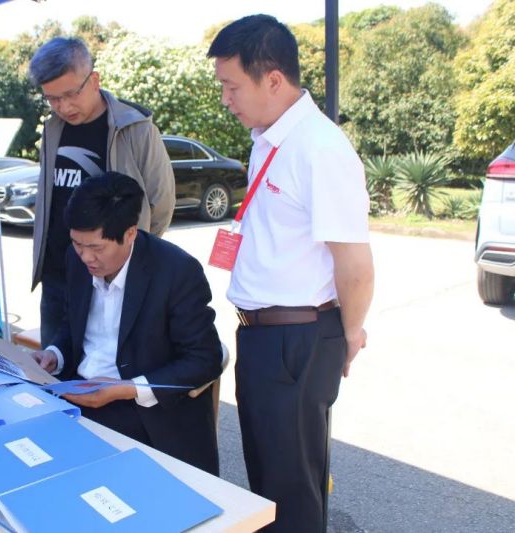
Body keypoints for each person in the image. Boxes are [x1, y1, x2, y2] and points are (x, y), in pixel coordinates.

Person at [207, 15, 375, 533]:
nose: (225, 99)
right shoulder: (269, 137)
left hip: (298, 338)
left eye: (232, 86)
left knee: (292, 490)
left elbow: (355, 262)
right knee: (268, 482)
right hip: (264, 336)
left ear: (273, 79)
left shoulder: (319, 147)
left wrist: (350, 333)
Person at [31, 172, 222, 475]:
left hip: (146, 412)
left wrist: (127, 388)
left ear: (130, 233)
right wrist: (55, 354)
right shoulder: (75, 259)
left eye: (97, 248)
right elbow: (73, 324)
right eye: (78, 244)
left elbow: (204, 359)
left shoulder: (176, 272)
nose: (86, 257)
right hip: (80, 394)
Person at [28, 37, 175, 347]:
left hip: (110, 282)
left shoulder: (135, 128)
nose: (63, 107)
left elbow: (160, 204)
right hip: (57, 277)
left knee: (105, 367)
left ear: (93, 80)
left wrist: (124, 257)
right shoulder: (53, 129)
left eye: (71, 94)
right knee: (52, 366)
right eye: (52, 98)